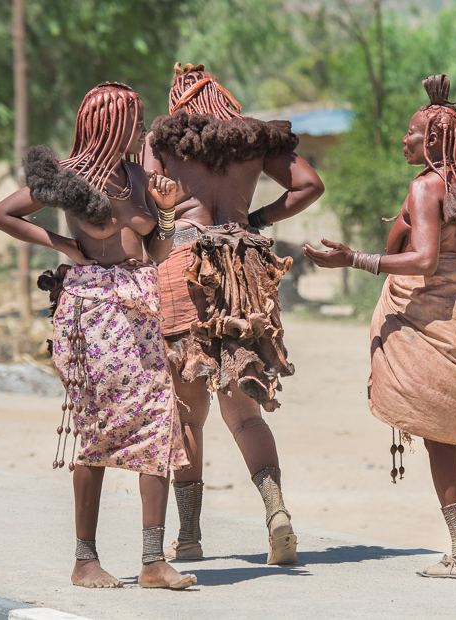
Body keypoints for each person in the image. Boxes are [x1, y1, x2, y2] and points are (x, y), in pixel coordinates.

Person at [0, 82, 197, 589]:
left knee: (160, 422)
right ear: (107, 122)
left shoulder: (142, 178)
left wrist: (166, 211)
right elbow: (1, 214)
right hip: (90, 313)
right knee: (96, 427)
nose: (141, 127)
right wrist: (60, 241)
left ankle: (152, 562)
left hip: (140, 304)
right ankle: (85, 560)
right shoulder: (67, 177)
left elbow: (162, 252)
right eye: (133, 118)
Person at [303, 75, 456, 578]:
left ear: (432, 140)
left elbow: (423, 259)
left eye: (412, 132)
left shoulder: (424, 188)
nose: (404, 138)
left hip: (432, 328)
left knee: (440, 435)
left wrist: (356, 258)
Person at [141, 63, 324, 565]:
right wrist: (256, 218)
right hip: (245, 266)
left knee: (187, 413)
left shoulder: (162, 139)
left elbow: (149, 204)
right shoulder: (253, 139)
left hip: (183, 264)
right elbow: (309, 185)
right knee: (243, 411)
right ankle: (276, 512)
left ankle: (191, 538)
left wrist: (164, 222)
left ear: (178, 101)